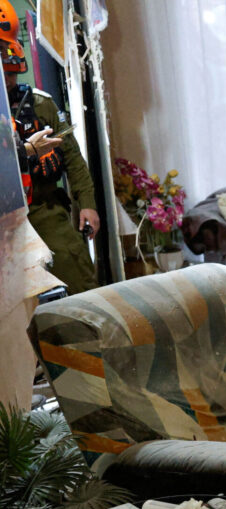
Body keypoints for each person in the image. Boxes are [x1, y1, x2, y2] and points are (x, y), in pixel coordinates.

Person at [1, 0, 99, 294]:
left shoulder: (40, 104)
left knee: (76, 272)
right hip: (6, 219)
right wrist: (27, 151)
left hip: (43, 208)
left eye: (11, 72)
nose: (8, 80)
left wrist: (88, 203)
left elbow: (72, 157)